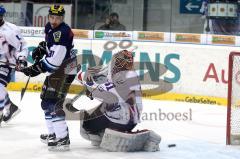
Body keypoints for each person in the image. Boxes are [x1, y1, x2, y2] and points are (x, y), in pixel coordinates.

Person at [20, 5, 77, 151]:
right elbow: (51, 48)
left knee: (54, 104)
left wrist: (35, 68)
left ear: (62, 18)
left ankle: (63, 138)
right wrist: (43, 47)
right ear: (49, 16)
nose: (54, 20)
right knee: (46, 103)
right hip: (57, 72)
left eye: (58, 18)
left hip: (65, 71)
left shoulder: (63, 32)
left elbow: (54, 62)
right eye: (52, 17)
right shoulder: (50, 28)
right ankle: (53, 134)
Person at [0, 6, 28, 126]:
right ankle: (10, 107)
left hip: (6, 64)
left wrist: (21, 59)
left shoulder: (11, 29)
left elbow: (22, 47)